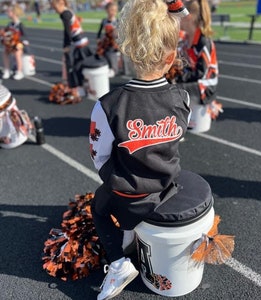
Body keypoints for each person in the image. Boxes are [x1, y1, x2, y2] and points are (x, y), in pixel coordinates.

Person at [89, 0, 190, 298]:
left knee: (98, 207)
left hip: (126, 196)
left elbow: (99, 156)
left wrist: (117, 177)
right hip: (166, 189)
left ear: (128, 52)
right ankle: (133, 234)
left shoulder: (108, 105)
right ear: (172, 57)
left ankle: (119, 263)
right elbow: (178, 138)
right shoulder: (182, 98)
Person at [169, 0, 221, 120]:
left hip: (206, 86)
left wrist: (178, 78)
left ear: (188, 17)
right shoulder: (186, 39)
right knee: (166, 85)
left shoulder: (203, 41)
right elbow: (184, 66)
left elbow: (201, 73)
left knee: (172, 92)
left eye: (179, 16)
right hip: (196, 82)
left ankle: (175, 127)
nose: (177, 20)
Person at [50, 0, 93, 99]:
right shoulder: (68, 12)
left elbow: (67, 32)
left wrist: (66, 46)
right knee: (79, 67)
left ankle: (82, 89)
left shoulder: (65, 14)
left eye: (55, 8)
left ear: (61, 4)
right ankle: (84, 87)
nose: (55, 10)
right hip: (81, 41)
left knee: (77, 68)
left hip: (80, 43)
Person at [1, 4, 26, 80]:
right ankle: (7, 70)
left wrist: (19, 42)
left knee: (17, 52)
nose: (7, 13)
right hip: (10, 45)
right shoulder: (10, 24)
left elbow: (25, 36)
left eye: (9, 12)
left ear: (14, 13)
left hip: (19, 46)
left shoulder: (20, 25)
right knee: (5, 52)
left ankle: (19, 71)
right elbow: (5, 33)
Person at [96, 1, 119, 76]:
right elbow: (99, 31)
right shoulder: (104, 21)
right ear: (107, 10)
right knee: (104, 54)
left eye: (115, 10)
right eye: (111, 10)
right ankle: (109, 67)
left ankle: (114, 69)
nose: (113, 12)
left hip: (115, 43)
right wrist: (98, 38)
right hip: (106, 42)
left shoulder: (117, 21)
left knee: (112, 55)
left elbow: (121, 33)